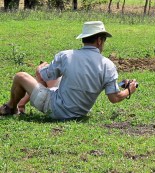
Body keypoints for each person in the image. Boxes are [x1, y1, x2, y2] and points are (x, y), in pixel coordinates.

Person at [0, 21, 138, 120]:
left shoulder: (66, 55)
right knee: (55, 80)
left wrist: (39, 69)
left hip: (55, 109)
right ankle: (21, 104)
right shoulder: (108, 65)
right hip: (80, 112)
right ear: (100, 41)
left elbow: (43, 76)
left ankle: (11, 106)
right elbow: (114, 97)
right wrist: (129, 90)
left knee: (20, 76)